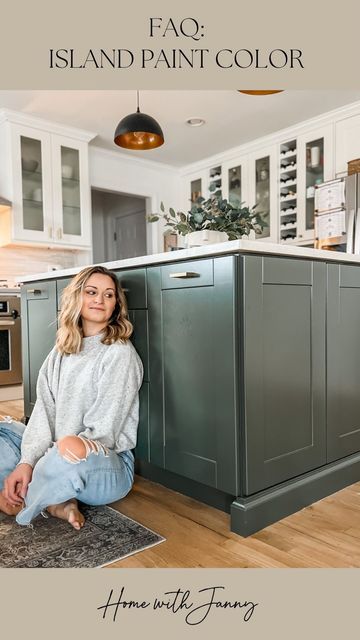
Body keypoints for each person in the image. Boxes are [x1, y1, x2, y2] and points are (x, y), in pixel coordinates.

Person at [0, 265, 143, 530]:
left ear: (115, 306)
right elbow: (43, 412)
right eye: (91, 292)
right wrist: (26, 462)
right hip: (56, 452)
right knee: (3, 432)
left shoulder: (119, 354)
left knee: (70, 447)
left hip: (103, 464)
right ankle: (54, 498)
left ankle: (35, 496)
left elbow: (104, 433)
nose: (100, 300)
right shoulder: (61, 351)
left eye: (109, 295)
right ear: (77, 298)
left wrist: (44, 461)